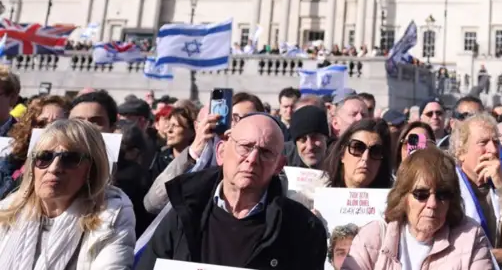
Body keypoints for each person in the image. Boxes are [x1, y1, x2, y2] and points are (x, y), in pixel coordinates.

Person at [135, 113, 327, 270]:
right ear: (221, 152)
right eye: (245, 147)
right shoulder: (183, 212)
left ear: (279, 165)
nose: (252, 159)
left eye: (266, 152)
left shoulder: (304, 229)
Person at [0, 119, 136, 270]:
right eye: (44, 157)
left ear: (93, 169)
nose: (54, 168)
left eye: (70, 159)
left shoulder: (112, 214)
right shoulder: (7, 210)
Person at [342, 147, 491, 270]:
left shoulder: (471, 237)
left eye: (442, 195)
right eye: (421, 194)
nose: (432, 204)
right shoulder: (372, 238)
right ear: (403, 197)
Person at [450, 113, 502, 263]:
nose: (492, 150)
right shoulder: (447, 192)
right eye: (483, 142)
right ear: (461, 152)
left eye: (496, 141)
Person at [0, 95, 68, 199]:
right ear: (31, 127)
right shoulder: (13, 159)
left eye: (57, 124)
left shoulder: (70, 165)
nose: (48, 129)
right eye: (42, 123)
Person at [323, 118, 394, 190]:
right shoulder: (319, 196)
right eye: (357, 148)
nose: (365, 158)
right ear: (342, 153)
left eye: (375, 152)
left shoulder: (395, 200)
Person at [286, 104, 332, 169]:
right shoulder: (283, 170)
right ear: (296, 144)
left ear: (326, 138)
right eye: (303, 140)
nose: (310, 146)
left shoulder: (342, 167)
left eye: (314, 137)